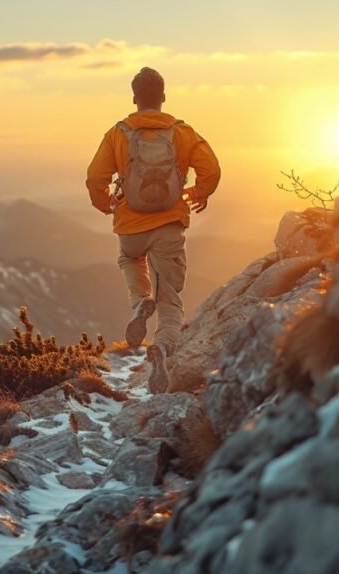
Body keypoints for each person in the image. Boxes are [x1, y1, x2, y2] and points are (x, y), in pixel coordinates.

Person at [85, 67, 221, 391]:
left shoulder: (118, 133)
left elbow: (95, 179)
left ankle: (140, 303)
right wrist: (200, 193)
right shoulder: (181, 131)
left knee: (129, 260)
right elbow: (211, 169)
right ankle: (162, 348)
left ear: (134, 98)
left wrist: (107, 204)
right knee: (170, 300)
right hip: (170, 225)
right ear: (162, 97)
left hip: (130, 226)